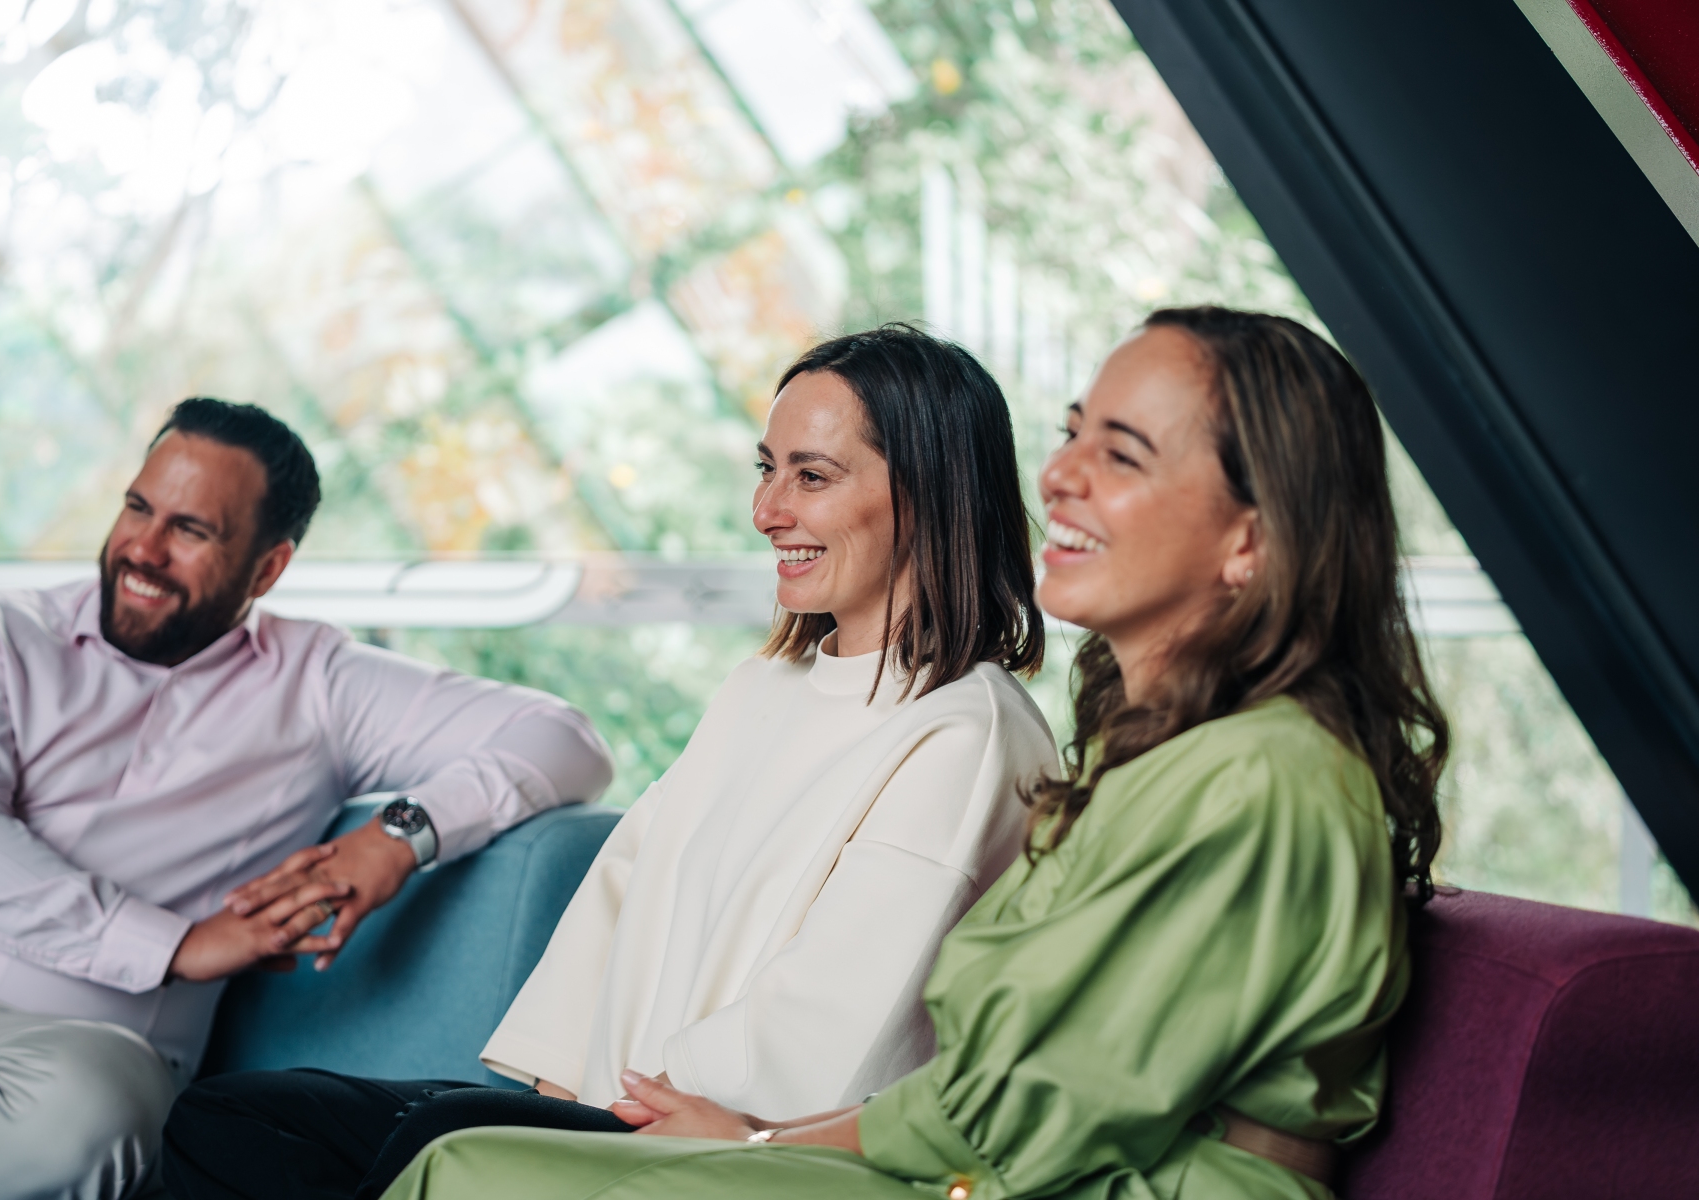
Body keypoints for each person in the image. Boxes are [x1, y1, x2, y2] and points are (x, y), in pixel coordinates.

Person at [371, 305, 1451, 1200]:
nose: (1058, 475)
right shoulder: (1167, 763)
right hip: (976, 1166)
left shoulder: (1255, 779)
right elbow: (994, 1098)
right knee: (438, 1155)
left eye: (1120, 455)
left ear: (1251, 538)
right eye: (1072, 435)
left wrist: (753, 1142)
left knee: (459, 1170)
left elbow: (1017, 1117)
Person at [162, 324, 1060, 1200]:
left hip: (735, 1145)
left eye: (812, 477)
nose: (766, 512)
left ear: (929, 494)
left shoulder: (966, 733)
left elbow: (838, 1016)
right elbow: (621, 890)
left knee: (430, 1146)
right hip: (613, 1111)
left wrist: (609, 1121)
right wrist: (556, 1099)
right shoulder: (763, 688)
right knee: (233, 1120)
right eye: (767, 469)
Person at [0, 398, 615, 1200]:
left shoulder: (319, 687)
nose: (143, 548)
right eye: (138, 507)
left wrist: (395, 837)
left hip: (74, 1065)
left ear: (267, 569)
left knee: (85, 1116)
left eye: (190, 530)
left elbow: (564, 738)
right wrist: (170, 946)